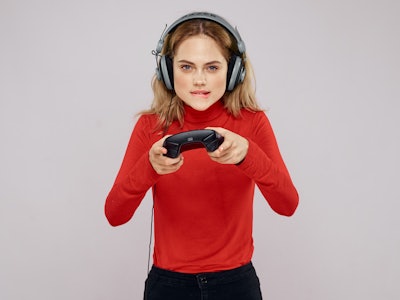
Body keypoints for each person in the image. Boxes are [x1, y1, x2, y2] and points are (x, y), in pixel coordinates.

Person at [105, 11, 299, 300]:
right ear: (168, 72)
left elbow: (287, 204)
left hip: (236, 284)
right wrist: (150, 166)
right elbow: (115, 214)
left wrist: (248, 154)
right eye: (186, 67)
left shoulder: (253, 123)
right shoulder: (150, 127)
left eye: (211, 67)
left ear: (233, 71)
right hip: (168, 286)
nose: (199, 80)